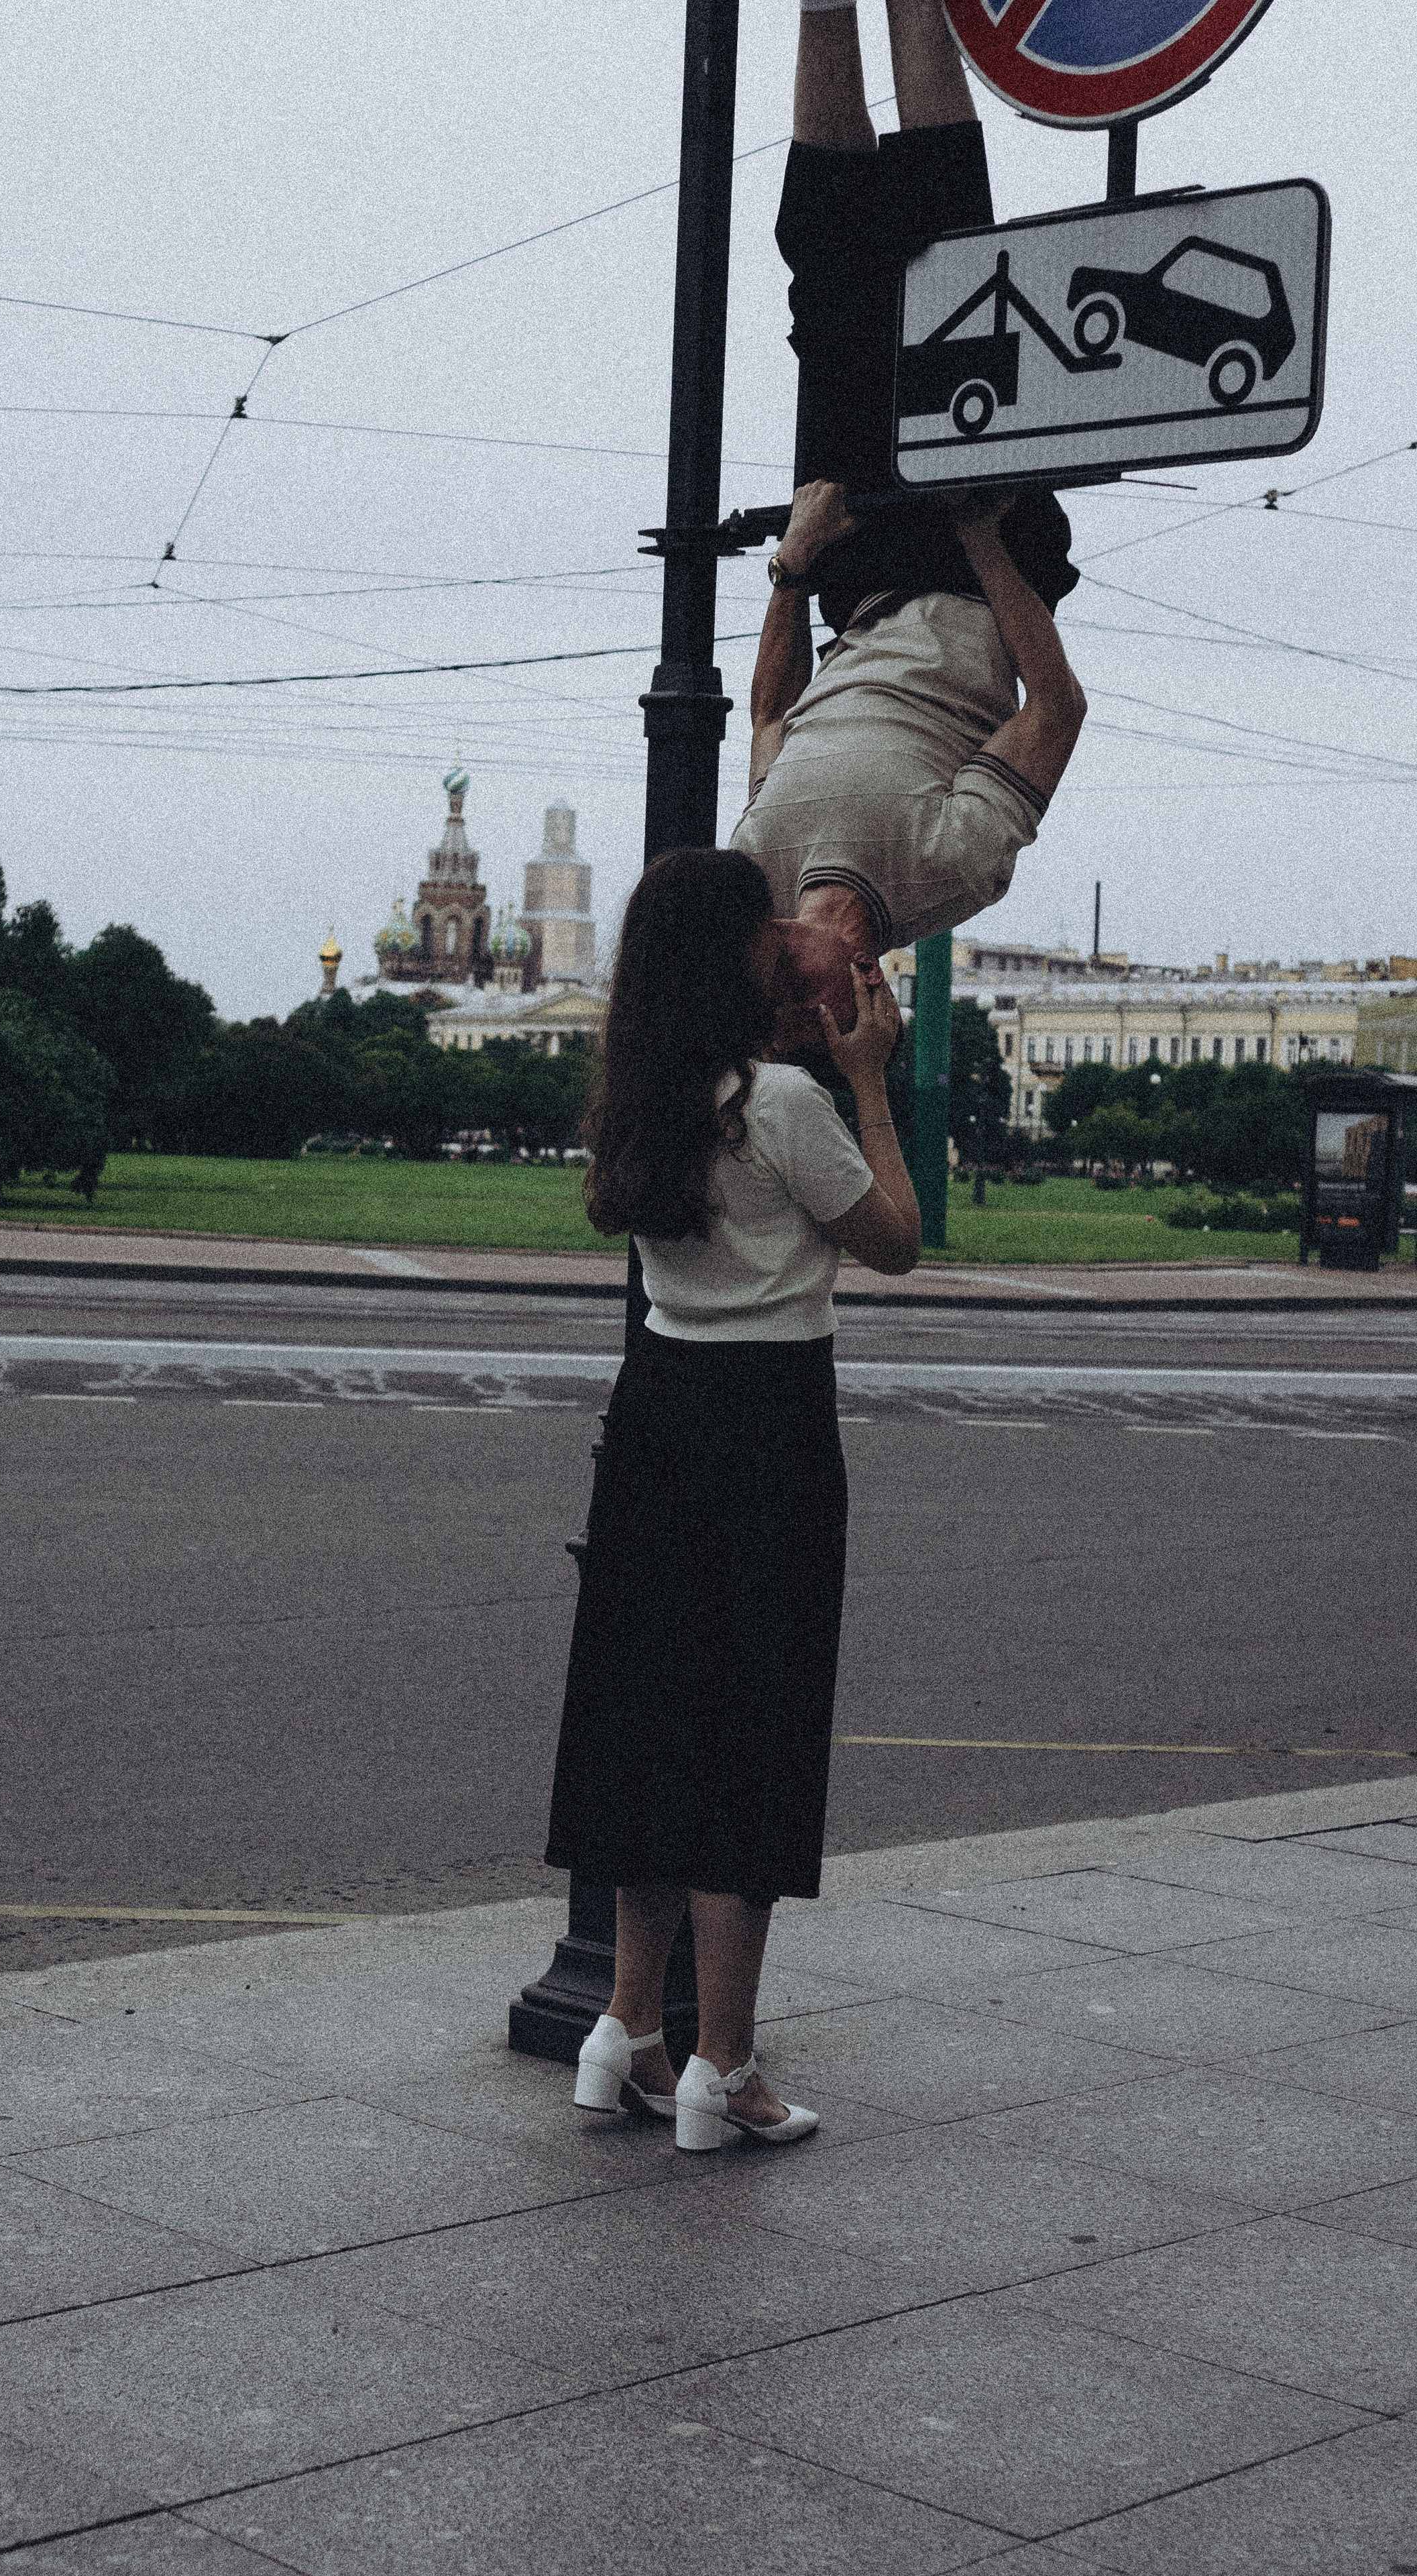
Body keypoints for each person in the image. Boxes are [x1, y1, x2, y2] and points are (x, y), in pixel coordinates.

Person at [544, 847, 919, 2151]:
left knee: (647, 1724)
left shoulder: (641, 1098)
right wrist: (865, 1082)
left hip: (653, 1421)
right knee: (748, 1736)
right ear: (727, 955)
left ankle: (625, 2035)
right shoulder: (777, 1103)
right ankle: (725, 2066)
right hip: (766, 1428)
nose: (782, 933)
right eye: (762, 919)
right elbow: (895, 1241)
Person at [731, 0, 1090, 1059]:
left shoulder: (757, 873)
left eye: (776, 1008)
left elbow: (768, 718)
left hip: (848, 579)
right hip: (979, 570)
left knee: (827, 273)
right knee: (950, 261)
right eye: (805, 1014)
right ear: (859, 990)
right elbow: (1056, 708)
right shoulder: (946, 878)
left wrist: (791, 573)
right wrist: (984, 534)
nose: (781, 994)